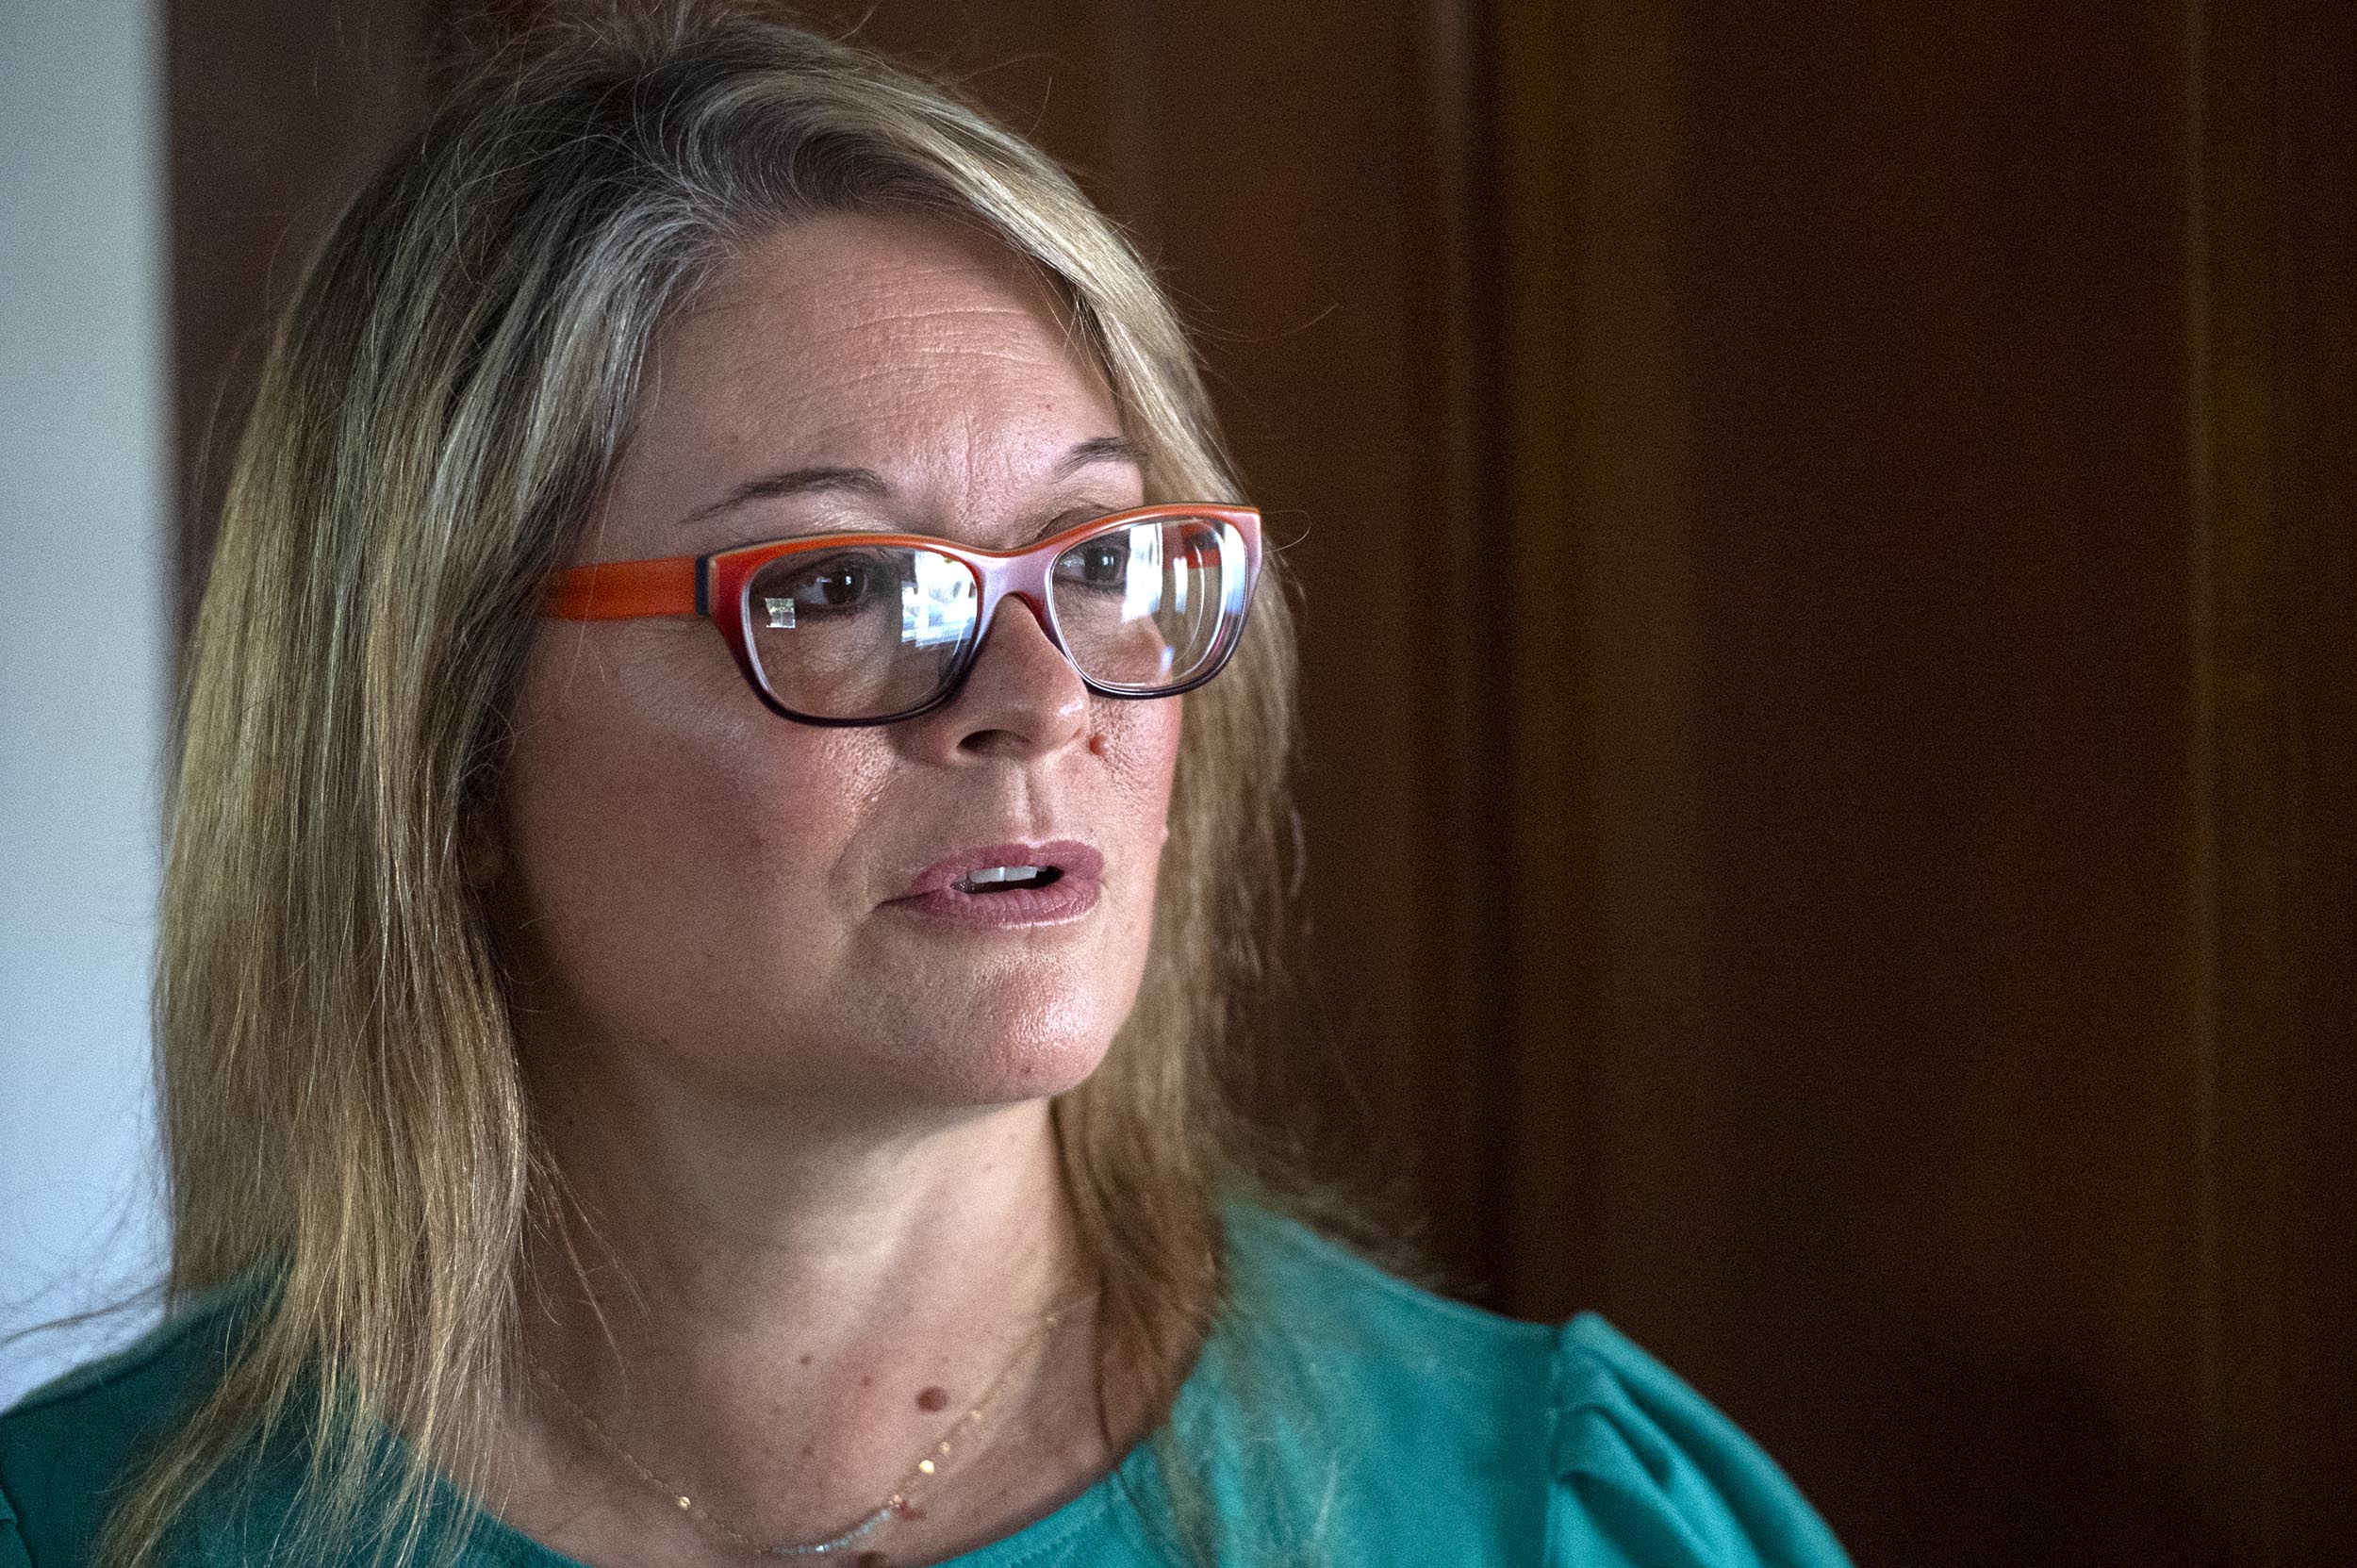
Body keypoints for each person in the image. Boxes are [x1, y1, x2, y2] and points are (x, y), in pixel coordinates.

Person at [0, 10, 1853, 1567]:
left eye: (1098, 557)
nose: (1042, 701)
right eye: (837, 589)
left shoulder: (1547, 1519)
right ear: (446, 740)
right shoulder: (88, 1527)